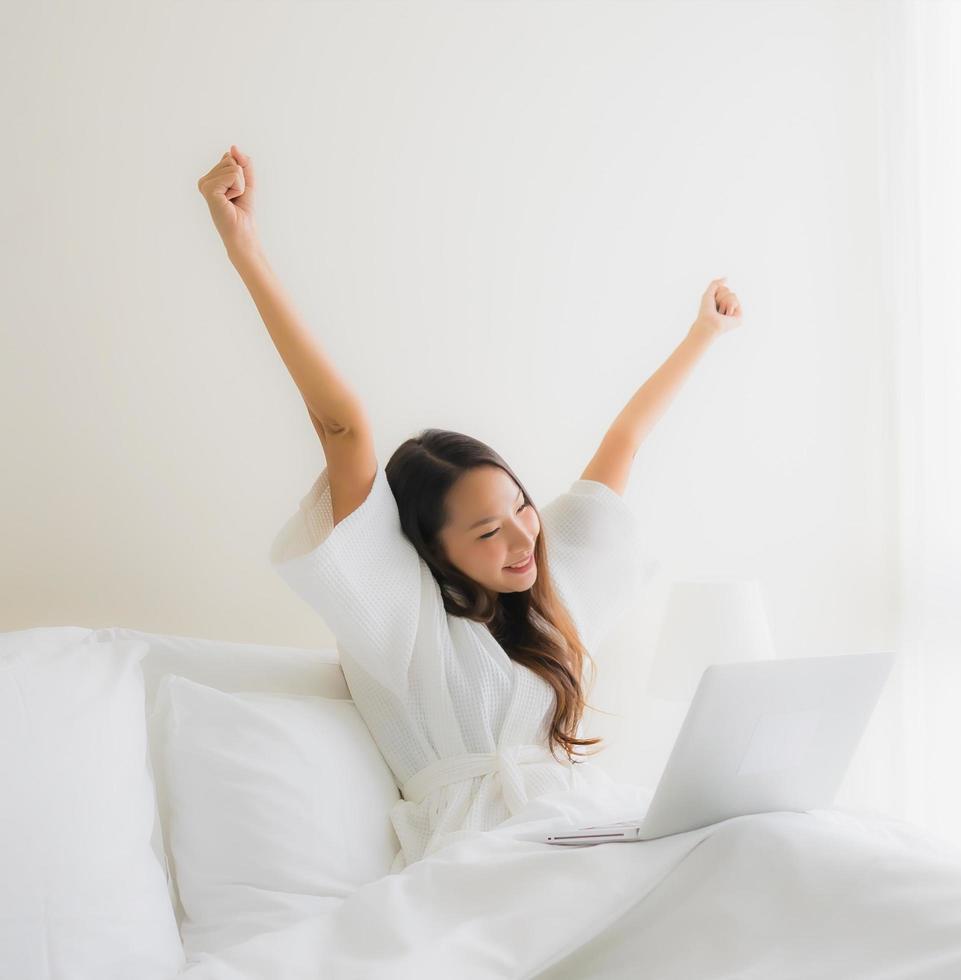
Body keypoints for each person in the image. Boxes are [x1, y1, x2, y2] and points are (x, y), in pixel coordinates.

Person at [197, 144, 744, 871]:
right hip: (482, 861)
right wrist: (244, 248)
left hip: (592, 829)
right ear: (430, 550)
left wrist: (703, 335)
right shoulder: (402, 620)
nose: (524, 536)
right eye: (489, 530)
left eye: (521, 508)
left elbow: (625, 440)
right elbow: (343, 425)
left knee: (765, 848)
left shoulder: (554, 600)